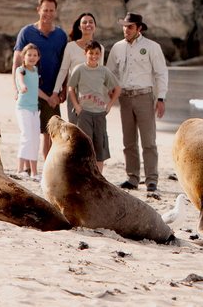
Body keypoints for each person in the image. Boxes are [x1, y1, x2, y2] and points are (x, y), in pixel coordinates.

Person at [106, 12, 168, 192]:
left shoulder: (152, 47)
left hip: (145, 97)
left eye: (130, 26)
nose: (126, 30)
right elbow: (110, 72)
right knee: (129, 141)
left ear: (139, 28)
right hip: (124, 98)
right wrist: (110, 92)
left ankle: (151, 180)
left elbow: (161, 73)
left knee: (149, 141)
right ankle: (132, 178)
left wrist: (161, 98)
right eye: (124, 26)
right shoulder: (117, 48)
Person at [12, 0, 68, 160]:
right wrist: (16, 88)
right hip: (28, 91)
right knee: (29, 131)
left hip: (52, 92)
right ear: (38, 10)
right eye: (45, 10)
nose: (48, 14)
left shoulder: (61, 36)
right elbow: (16, 63)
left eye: (51, 10)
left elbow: (64, 66)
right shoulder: (26, 32)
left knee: (50, 132)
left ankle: (47, 166)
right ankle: (27, 167)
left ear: (55, 12)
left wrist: (63, 89)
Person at [67, 40, 120, 173]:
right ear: (86, 53)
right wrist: (77, 106)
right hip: (84, 113)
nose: (94, 56)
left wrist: (109, 106)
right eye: (91, 53)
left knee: (100, 145)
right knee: (85, 144)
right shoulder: (79, 69)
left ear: (100, 55)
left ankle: (99, 175)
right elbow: (71, 88)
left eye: (97, 53)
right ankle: (85, 173)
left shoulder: (103, 71)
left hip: (100, 114)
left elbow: (117, 88)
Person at [52, 12, 104, 124]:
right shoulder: (70, 47)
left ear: (95, 26)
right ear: (80, 27)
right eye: (84, 22)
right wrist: (56, 92)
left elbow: (101, 73)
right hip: (74, 93)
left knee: (91, 131)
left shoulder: (101, 48)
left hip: (93, 95)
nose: (88, 24)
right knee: (75, 128)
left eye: (91, 22)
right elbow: (63, 70)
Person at [14, 43, 48, 181]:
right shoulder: (21, 70)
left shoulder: (35, 71)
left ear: (38, 57)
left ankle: (34, 172)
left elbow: (37, 90)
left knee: (35, 139)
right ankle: (20, 169)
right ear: (24, 56)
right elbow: (21, 80)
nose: (32, 57)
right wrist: (22, 87)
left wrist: (49, 98)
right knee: (26, 136)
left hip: (34, 110)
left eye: (35, 55)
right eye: (29, 55)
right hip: (23, 108)